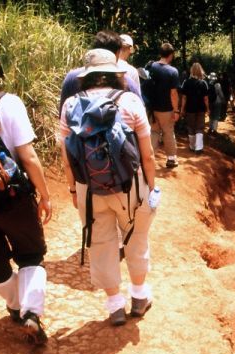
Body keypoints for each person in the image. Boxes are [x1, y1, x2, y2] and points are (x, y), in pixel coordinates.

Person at [59, 48, 157, 326]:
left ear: (86, 76)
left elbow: (66, 156)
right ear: (116, 73)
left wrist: (72, 190)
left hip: (88, 188)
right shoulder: (130, 101)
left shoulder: (70, 105)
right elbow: (147, 154)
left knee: (100, 242)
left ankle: (114, 305)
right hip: (130, 185)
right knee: (136, 238)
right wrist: (152, 187)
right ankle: (138, 297)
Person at [0, 39, 51, 344]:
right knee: (31, 255)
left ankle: (15, 308)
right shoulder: (7, 103)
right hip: (12, 198)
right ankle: (31, 312)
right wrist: (44, 195)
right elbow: (28, 157)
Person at [59, 31, 141, 115]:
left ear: (94, 50)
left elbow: (63, 115)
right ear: (117, 53)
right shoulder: (126, 81)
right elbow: (140, 116)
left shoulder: (72, 77)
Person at [148, 42, 180, 168]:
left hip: (152, 108)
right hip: (166, 109)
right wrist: (176, 110)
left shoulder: (151, 66)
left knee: (153, 132)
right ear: (171, 55)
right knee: (168, 132)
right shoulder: (172, 71)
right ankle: (171, 159)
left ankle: (149, 158)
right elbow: (173, 93)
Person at [180, 62, 209, 153]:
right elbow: (205, 98)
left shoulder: (186, 82)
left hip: (189, 109)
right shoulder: (203, 83)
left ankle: (192, 146)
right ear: (201, 71)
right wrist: (208, 109)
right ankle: (199, 148)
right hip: (201, 109)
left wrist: (182, 109)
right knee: (200, 127)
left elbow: (184, 97)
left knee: (191, 127)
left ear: (191, 71)